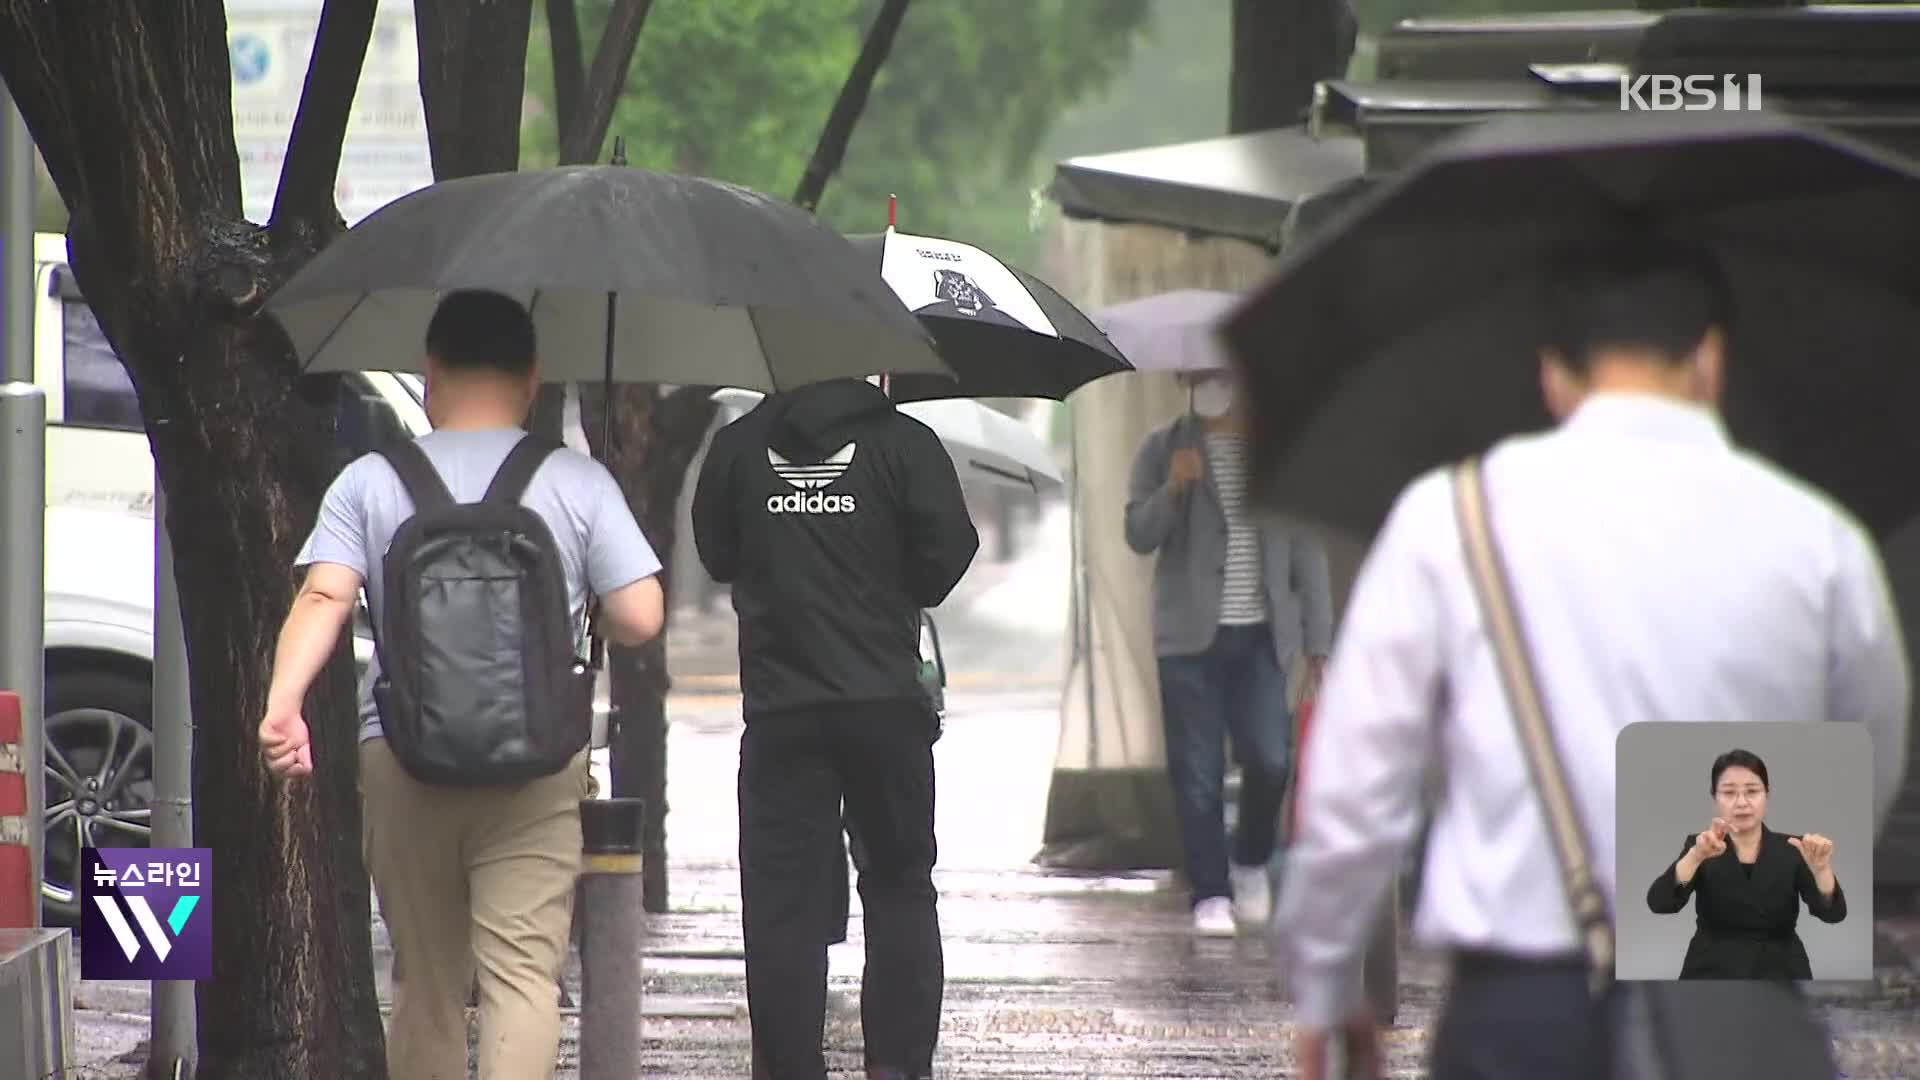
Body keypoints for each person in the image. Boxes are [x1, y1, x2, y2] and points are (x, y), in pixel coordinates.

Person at [1269, 234, 1911, 1080]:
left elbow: (1358, 785)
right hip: (1738, 1004)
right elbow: (1871, 756)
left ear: (1553, 375)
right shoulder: (1818, 539)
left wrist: (1323, 983)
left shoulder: (1453, 519)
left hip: (1520, 1014)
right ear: (1710, 358)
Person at [257, 290, 666, 1080]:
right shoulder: (576, 482)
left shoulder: (371, 481)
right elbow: (642, 615)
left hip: (403, 758)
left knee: (426, 981)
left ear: (431, 371)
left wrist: (283, 707)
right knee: (522, 977)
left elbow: (323, 597)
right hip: (538, 766)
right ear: (533, 379)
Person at [691, 376, 978, 1080]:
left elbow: (718, 558)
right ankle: (899, 1066)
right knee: (900, 884)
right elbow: (943, 566)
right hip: (885, 707)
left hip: (781, 709)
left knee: (781, 905)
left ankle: (790, 1068)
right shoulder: (908, 445)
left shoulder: (738, 447)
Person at [1123, 368, 1334, 936]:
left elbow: (1307, 547)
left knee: (1271, 760)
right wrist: (1173, 489)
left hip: (1262, 636)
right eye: (1201, 376)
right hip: (1187, 639)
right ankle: (1210, 891)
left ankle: (1249, 861)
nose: (1213, 384)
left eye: (1222, 373)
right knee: (1198, 772)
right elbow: (1138, 534)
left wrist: (1319, 640)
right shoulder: (1162, 447)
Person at [1646, 748, 1845, 979]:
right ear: (1714, 797)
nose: (1742, 802)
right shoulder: (1699, 845)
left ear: (1766, 794)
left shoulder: (1794, 848)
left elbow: (1833, 914)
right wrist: (1696, 856)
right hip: (1711, 970)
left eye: (1752, 791)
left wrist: (1821, 870)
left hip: (1782, 971)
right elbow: (1659, 903)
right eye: (1729, 792)